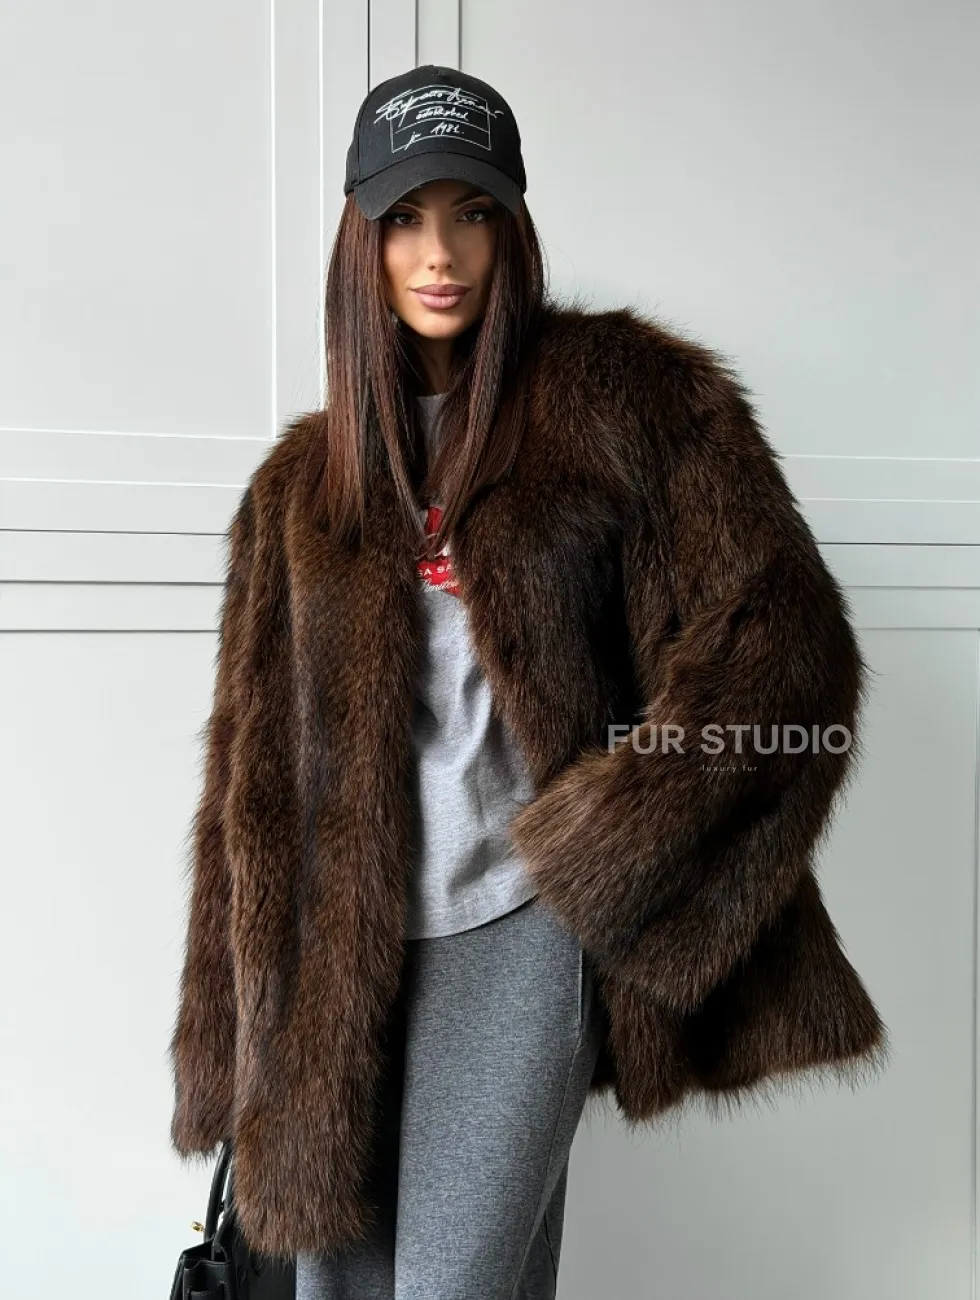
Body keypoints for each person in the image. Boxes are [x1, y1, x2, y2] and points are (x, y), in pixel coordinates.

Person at [168, 64, 890, 1299]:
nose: (438, 253)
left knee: (453, 1285)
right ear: (359, 241)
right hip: (335, 959)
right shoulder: (298, 491)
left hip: (517, 932)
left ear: (512, 227)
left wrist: (603, 845)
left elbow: (782, 649)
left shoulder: (625, 404)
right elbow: (251, 794)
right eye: (403, 217)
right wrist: (233, 1045)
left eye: (473, 212)